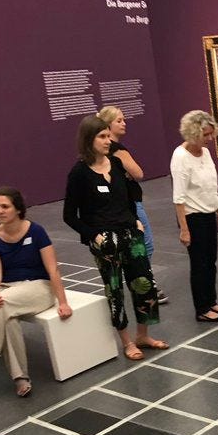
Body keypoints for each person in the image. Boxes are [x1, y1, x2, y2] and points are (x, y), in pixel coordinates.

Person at [63, 115, 167, 360]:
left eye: (108, 136)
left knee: (144, 285)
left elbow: (129, 198)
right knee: (115, 291)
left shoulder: (116, 165)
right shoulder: (78, 173)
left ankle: (143, 335)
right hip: (105, 241)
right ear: (89, 139)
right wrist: (94, 237)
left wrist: (136, 221)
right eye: (102, 136)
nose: (108, 140)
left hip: (131, 234)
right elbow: (69, 215)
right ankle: (127, 342)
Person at [0, 186, 72, 396]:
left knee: (2, 303)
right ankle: (20, 377)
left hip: (39, 287)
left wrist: (63, 302)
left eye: (5, 206)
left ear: (18, 209)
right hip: (9, 289)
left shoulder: (36, 232)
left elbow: (52, 268)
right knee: (6, 317)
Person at [97, 105, 168, 304]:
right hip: (130, 204)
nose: (124, 123)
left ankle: (140, 282)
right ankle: (145, 283)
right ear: (108, 125)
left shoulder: (103, 151)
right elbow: (138, 173)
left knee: (131, 246)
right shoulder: (117, 149)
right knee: (144, 245)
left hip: (116, 205)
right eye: (119, 120)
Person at [170, 110, 218, 322]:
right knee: (199, 264)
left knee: (211, 261)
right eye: (206, 134)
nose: (210, 138)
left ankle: (211, 301)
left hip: (207, 213)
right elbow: (179, 197)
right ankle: (202, 308)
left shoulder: (205, 152)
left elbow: (209, 184)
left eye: (211, 134)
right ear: (193, 133)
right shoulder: (180, 157)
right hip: (193, 217)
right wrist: (184, 229)